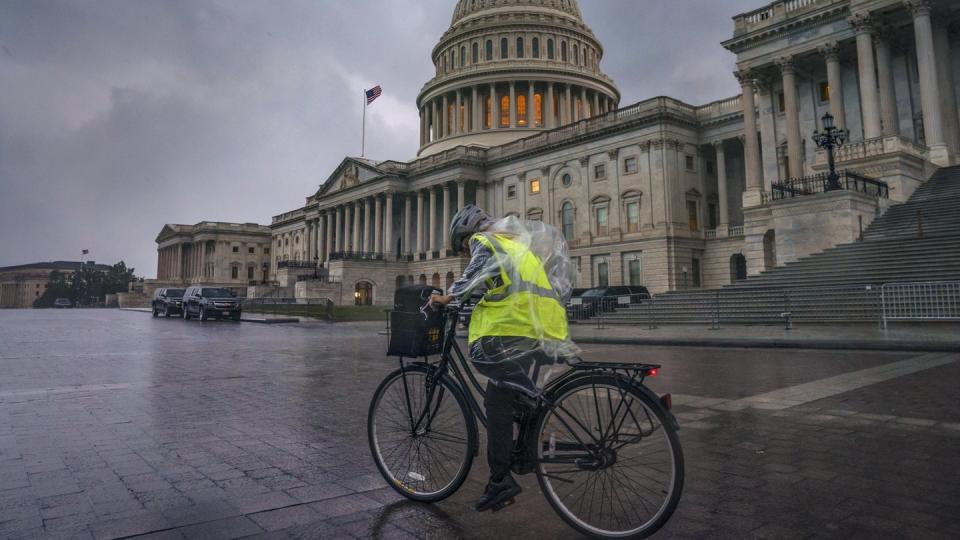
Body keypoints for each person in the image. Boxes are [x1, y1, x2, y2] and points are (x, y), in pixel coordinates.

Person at [430, 204, 574, 512]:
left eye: (465, 245)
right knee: (504, 393)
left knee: (488, 374)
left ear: (468, 233)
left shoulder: (486, 241)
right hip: (543, 326)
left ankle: (501, 480)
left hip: (516, 327)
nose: (468, 251)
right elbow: (499, 282)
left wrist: (446, 297)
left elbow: (472, 276)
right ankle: (521, 443)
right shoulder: (516, 246)